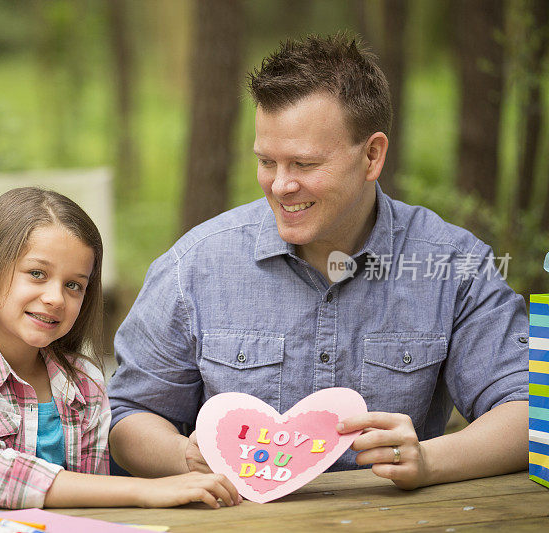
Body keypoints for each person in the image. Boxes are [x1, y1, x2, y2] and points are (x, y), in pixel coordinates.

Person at [108, 33, 528, 490]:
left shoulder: (452, 266)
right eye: (267, 161)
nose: (280, 186)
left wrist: (430, 460)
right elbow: (128, 415)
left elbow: (529, 409)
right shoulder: (193, 266)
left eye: (304, 165)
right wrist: (184, 456)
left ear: (372, 156)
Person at [0, 187, 240, 513]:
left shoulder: (83, 382)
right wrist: (145, 490)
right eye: (37, 273)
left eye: (74, 285)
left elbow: (90, 504)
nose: (55, 298)